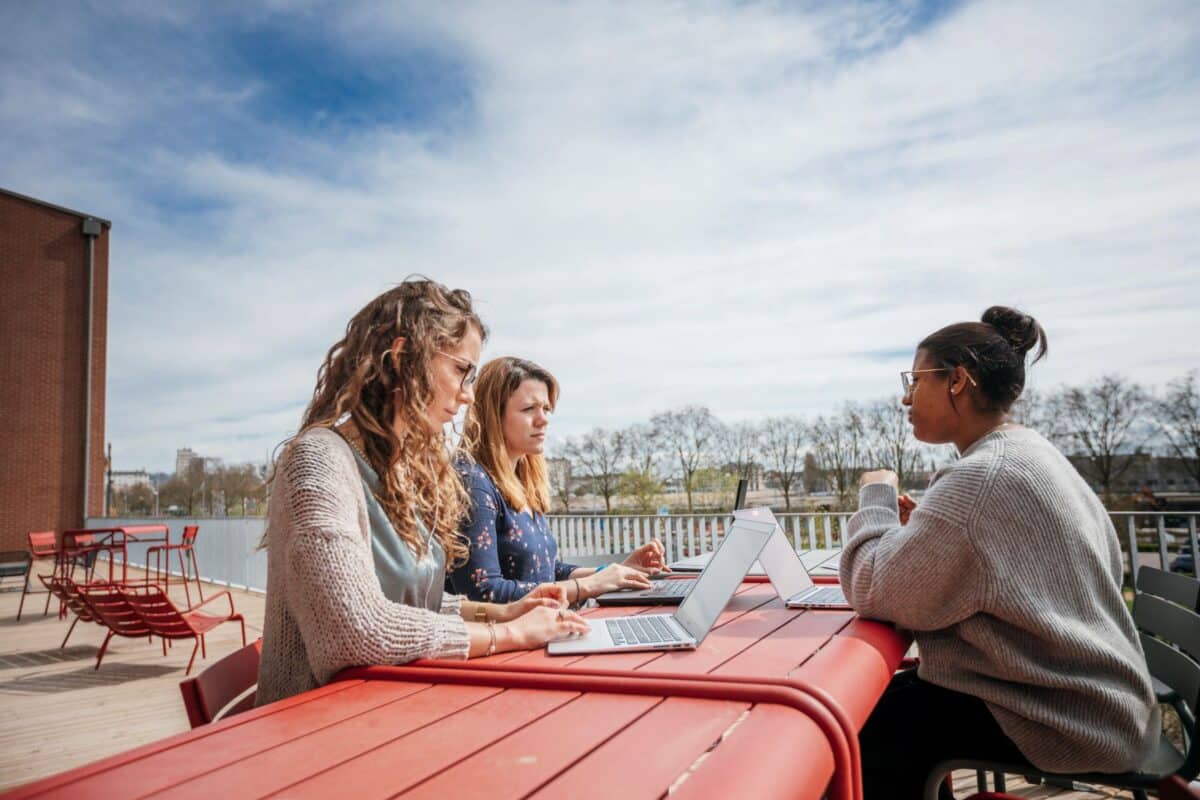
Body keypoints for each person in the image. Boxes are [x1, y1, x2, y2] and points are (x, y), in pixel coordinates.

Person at [840, 306, 1159, 798]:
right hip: (1099, 705)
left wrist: (876, 495)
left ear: (957, 381)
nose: (905, 397)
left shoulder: (981, 477)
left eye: (916, 379)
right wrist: (923, 532)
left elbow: (872, 587)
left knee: (865, 736)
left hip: (1069, 720)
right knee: (887, 708)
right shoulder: (1029, 454)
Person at [257, 280, 587, 706]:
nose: (469, 395)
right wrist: (508, 634)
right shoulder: (317, 461)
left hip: (394, 706)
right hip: (315, 724)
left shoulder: (401, 471)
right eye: (461, 370)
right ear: (402, 358)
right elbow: (357, 630)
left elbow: (412, 605)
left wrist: (502, 611)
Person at [449, 357, 668, 604]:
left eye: (546, 409)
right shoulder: (472, 482)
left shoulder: (521, 481)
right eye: (528, 409)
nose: (543, 419)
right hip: (512, 638)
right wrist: (590, 585)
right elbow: (484, 594)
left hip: (545, 628)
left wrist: (615, 573)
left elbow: (548, 572)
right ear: (493, 415)